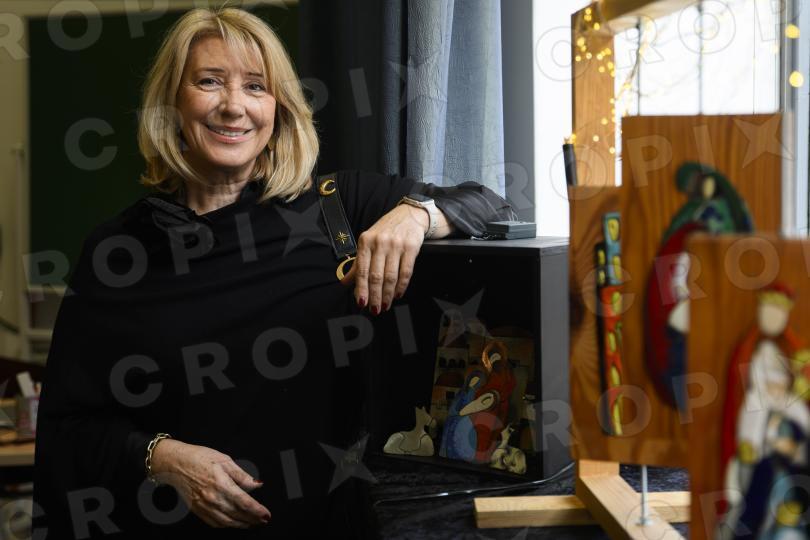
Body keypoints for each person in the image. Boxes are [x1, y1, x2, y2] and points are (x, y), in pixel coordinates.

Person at [32, 6, 516, 539]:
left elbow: (493, 204)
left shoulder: (338, 207)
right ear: (172, 102)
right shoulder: (117, 252)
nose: (233, 106)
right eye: (209, 81)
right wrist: (162, 457)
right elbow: (68, 428)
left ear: (278, 109)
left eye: (256, 87)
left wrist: (416, 213)